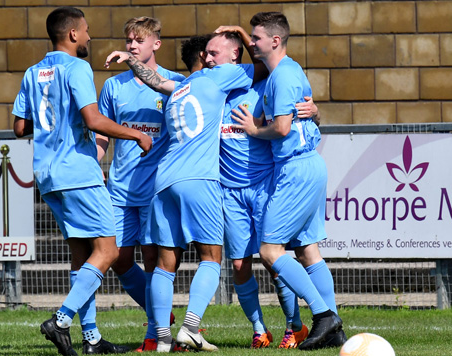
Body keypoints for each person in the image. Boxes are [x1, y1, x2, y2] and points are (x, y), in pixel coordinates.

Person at [105, 36, 263, 352]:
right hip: (198, 177)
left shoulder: (179, 86)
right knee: (211, 257)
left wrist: (130, 59)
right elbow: (262, 65)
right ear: (207, 58)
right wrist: (244, 38)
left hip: (163, 180)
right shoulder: (218, 75)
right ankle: (190, 328)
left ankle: (161, 338)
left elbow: (154, 79)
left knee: (164, 264)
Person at [12, 7, 152, 356]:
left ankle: (91, 339)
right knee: (108, 250)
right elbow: (92, 119)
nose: (89, 36)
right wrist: (134, 134)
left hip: (47, 176)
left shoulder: (32, 72)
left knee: (82, 256)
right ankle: (61, 320)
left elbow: (19, 128)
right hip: (77, 173)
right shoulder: (77, 67)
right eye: (86, 31)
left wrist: (52, 122)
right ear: (73, 34)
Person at [231, 12, 345, 351]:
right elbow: (306, 115)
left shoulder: (282, 77)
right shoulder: (293, 70)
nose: (251, 43)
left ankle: (324, 316)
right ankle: (334, 331)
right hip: (310, 164)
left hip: (295, 168)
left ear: (275, 41)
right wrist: (317, 112)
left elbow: (281, 128)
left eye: (256, 37)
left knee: (269, 251)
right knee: (308, 251)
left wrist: (252, 130)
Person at [205, 28, 318, 349]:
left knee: (274, 258)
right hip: (230, 192)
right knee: (240, 265)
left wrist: (315, 110)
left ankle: (294, 326)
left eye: (214, 54)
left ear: (235, 56)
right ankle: (259, 329)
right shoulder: (210, 92)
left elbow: (301, 110)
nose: (207, 59)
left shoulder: (265, 85)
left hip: (267, 186)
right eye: (206, 54)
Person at [96, 16, 185, 352]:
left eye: (139, 41)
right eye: (129, 40)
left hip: (156, 189)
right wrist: (96, 159)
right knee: (117, 257)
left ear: (156, 44)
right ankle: (158, 314)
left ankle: (154, 335)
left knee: (153, 260)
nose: (132, 46)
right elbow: (103, 131)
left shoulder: (175, 83)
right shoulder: (114, 86)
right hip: (120, 187)